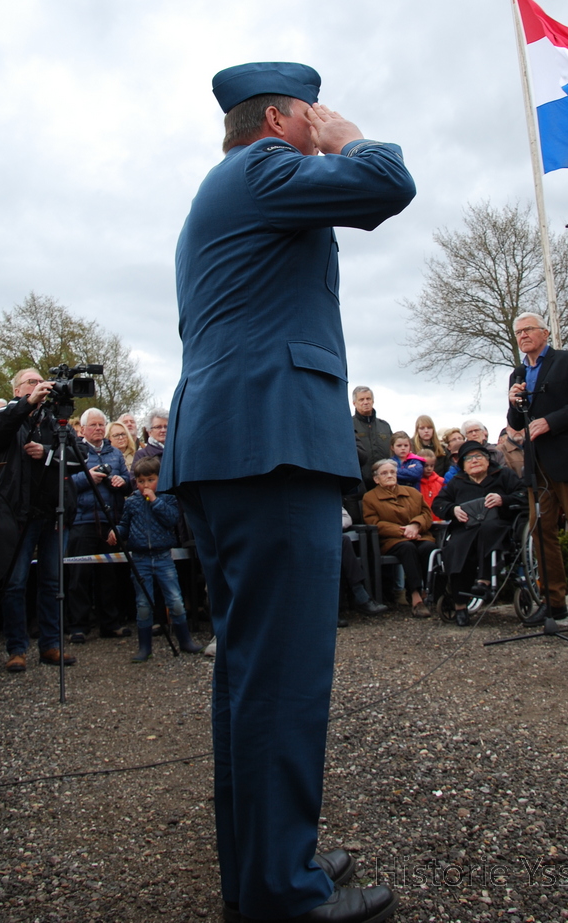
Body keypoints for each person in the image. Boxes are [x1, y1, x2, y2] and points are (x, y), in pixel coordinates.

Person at [159, 61, 414, 923]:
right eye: (310, 111)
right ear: (278, 117)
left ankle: (264, 864)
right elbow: (387, 182)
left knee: (251, 672)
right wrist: (348, 136)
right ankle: (279, 893)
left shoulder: (232, 183)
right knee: (283, 675)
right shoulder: (266, 168)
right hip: (269, 448)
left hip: (232, 444)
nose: (322, 121)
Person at [508, 311, 568, 626]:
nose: (523, 336)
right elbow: (515, 423)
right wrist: (513, 403)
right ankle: (553, 601)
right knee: (541, 532)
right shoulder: (518, 373)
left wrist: (550, 421)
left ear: (545, 333)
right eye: (518, 332)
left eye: (528, 330)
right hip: (537, 464)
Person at [0, 368, 78, 671]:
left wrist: (48, 453)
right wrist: (26, 405)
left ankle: (50, 644)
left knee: (52, 582)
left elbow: (80, 459)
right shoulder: (10, 417)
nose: (39, 386)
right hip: (18, 514)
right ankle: (16, 648)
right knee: (15, 583)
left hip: (53, 513)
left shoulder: (54, 418)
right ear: (17, 390)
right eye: (31, 382)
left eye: (41, 382)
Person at [107, 457, 202, 660]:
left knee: (175, 600)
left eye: (150, 480)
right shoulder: (132, 501)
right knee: (143, 604)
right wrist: (117, 532)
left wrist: (155, 501)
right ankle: (145, 647)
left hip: (163, 557)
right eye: (141, 481)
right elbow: (125, 524)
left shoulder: (167, 498)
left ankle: (185, 641)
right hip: (140, 558)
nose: (145, 485)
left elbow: (171, 519)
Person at [432, 441, 526, 626]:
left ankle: (484, 580)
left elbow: (523, 494)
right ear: (463, 466)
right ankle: (460, 606)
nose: (474, 461)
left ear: (487, 460)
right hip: (466, 528)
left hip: (497, 525)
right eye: (469, 458)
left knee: (488, 529)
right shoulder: (457, 483)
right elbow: (439, 504)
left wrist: (503, 499)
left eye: (478, 457)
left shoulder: (503, 475)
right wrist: (453, 509)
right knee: (456, 547)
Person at [67, 407, 131, 644]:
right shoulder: (74, 453)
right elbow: (65, 484)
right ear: (82, 429)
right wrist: (88, 478)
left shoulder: (115, 454)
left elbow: (129, 483)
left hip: (110, 520)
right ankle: (78, 625)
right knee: (79, 575)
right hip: (82, 520)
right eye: (92, 425)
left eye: (101, 425)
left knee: (109, 575)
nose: (98, 429)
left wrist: (122, 481)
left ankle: (110, 623)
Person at [363, 458, 435, 618]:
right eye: (384, 473)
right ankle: (416, 597)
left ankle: (430, 591)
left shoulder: (413, 493)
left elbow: (426, 514)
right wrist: (402, 531)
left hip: (418, 535)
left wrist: (415, 526)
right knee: (407, 548)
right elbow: (373, 522)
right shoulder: (370, 498)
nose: (389, 475)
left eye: (392, 472)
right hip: (392, 540)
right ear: (376, 479)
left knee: (429, 548)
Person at [351, 387, 392, 490]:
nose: (365, 402)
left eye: (368, 399)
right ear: (354, 403)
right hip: (361, 485)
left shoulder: (385, 426)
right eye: (361, 399)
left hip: (385, 483)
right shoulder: (349, 425)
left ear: (373, 401)